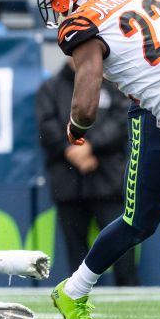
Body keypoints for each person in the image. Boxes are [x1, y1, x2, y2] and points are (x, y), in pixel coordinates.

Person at [41, 0, 160, 319]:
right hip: (153, 112)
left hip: (154, 108)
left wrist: (76, 129)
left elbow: (85, 107)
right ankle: (73, 291)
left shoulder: (84, 23)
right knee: (138, 221)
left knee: (136, 222)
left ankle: (72, 292)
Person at [36, 60, 139, 287]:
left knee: (121, 248)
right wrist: (70, 150)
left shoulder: (113, 85)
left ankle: (128, 289)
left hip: (108, 182)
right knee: (77, 254)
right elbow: (46, 126)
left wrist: (90, 145)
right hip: (68, 183)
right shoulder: (51, 88)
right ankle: (78, 298)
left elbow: (122, 120)